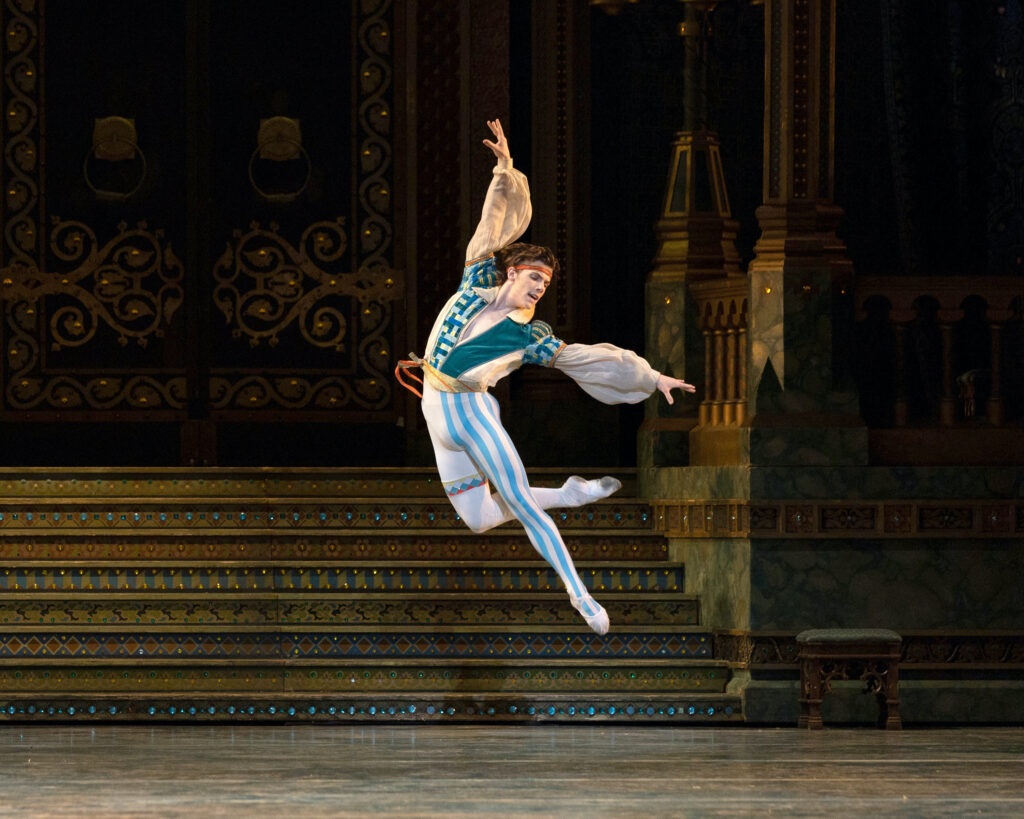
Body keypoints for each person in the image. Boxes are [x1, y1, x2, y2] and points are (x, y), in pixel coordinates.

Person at [396, 119, 695, 635]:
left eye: (546, 283)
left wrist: (650, 377)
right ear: (512, 273)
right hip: (433, 410)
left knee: (520, 507)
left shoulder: (529, 336)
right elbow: (493, 225)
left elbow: (588, 358)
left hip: (469, 414)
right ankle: (568, 492)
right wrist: (505, 171)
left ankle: (580, 596)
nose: (540, 288)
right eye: (535, 277)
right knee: (479, 519)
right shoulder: (475, 282)